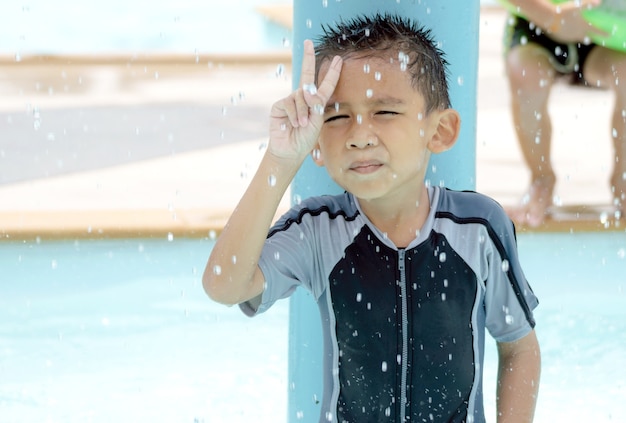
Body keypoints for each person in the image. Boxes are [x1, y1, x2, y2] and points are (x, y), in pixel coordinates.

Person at [203, 13, 541, 422]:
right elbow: (224, 285)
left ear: (440, 131)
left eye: (385, 112)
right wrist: (280, 158)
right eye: (337, 116)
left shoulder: (478, 227)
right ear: (317, 145)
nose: (359, 134)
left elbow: (519, 346)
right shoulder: (317, 230)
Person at [504, 0, 626, 227]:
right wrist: (552, 17)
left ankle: (623, 181)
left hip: (606, 31)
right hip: (538, 22)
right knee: (525, 75)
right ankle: (541, 179)